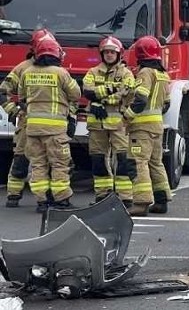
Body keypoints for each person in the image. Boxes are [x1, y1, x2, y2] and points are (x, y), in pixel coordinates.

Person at [21, 36, 81, 213]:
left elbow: (22, 96)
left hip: (32, 129)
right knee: (59, 164)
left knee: (38, 165)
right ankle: (61, 200)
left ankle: (42, 201)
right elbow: (76, 94)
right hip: (55, 130)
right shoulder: (61, 73)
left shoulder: (27, 72)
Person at [0, 29, 53, 208]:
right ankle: (13, 195)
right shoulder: (22, 68)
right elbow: (3, 90)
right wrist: (13, 110)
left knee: (48, 160)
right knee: (21, 158)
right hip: (26, 122)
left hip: (49, 124)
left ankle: (46, 196)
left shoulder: (54, 68)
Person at [82, 36, 136, 204]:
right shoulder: (92, 72)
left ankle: (125, 197)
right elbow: (87, 91)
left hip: (119, 125)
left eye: (113, 52)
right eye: (106, 52)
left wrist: (99, 100)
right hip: (96, 125)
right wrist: (107, 93)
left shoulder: (126, 74)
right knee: (98, 160)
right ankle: (102, 195)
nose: (109, 55)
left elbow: (125, 92)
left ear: (119, 54)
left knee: (122, 160)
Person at [123, 36, 172, 217]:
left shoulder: (145, 73)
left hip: (141, 129)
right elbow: (167, 103)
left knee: (137, 163)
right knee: (155, 163)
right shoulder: (162, 75)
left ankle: (141, 203)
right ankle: (161, 200)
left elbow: (140, 99)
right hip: (157, 126)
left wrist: (126, 117)